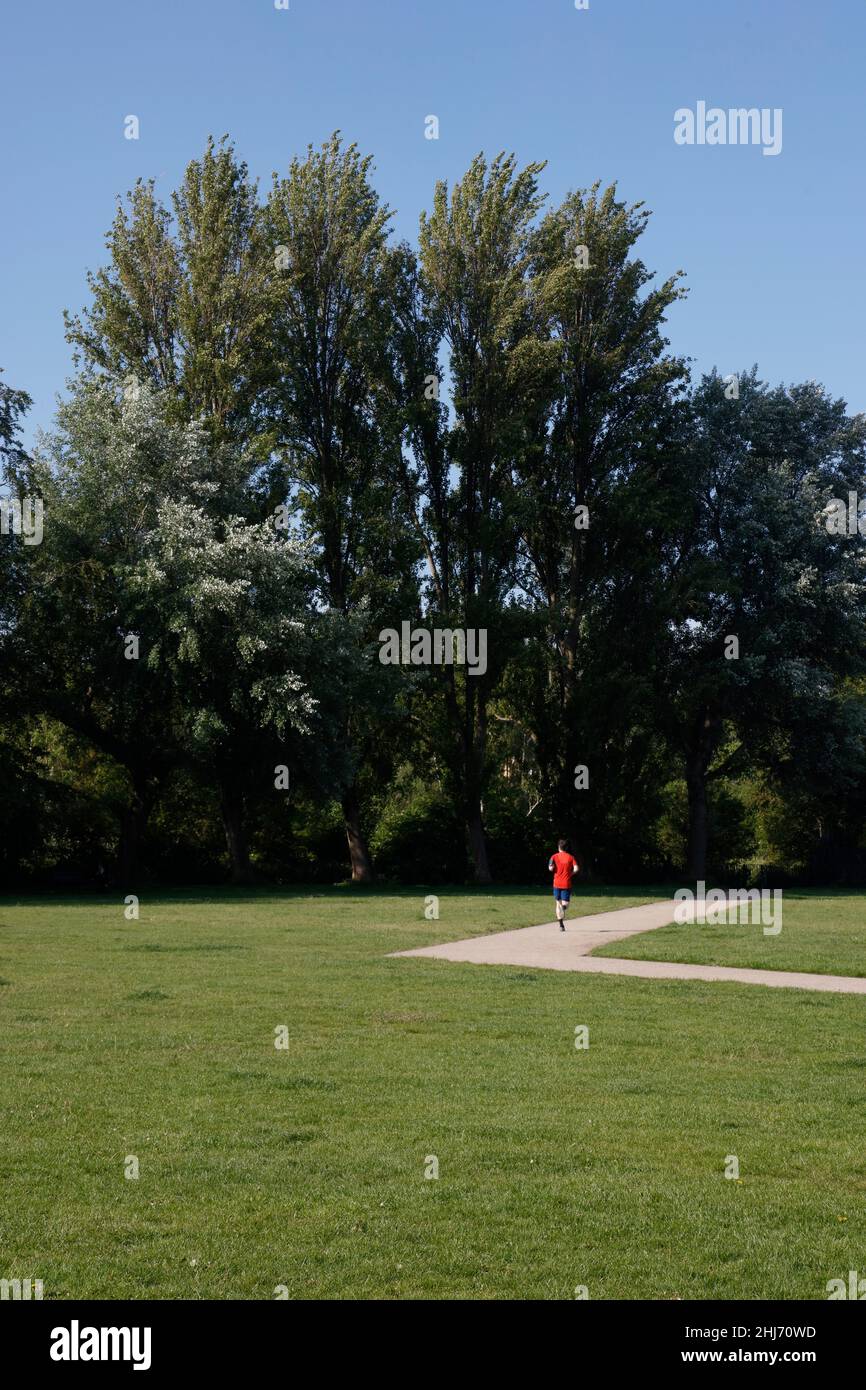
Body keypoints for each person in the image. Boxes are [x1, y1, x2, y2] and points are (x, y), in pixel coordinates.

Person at [548, 838, 579, 930]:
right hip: (566, 883)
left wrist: (553, 868)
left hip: (556, 883)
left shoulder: (553, 857)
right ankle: (563, 909)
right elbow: (576, 868)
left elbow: (550, 868)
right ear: (566, 848)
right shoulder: (571, 857)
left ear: (559, 847)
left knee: (558, 903)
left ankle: (561, 925)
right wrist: (570, 873)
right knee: (565, 904)